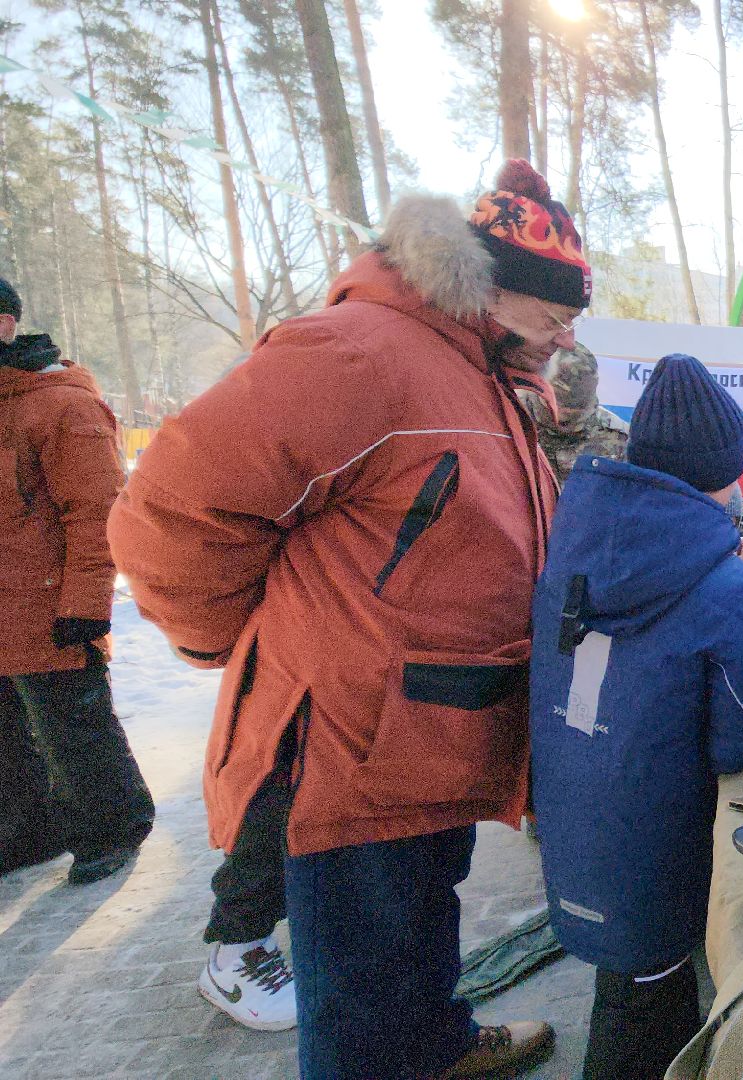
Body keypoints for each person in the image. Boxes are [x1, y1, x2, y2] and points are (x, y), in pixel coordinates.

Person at [109, 160, 586, 1079]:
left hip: (428, 726)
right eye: (556, 312)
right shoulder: (358, 353)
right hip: (353, 735)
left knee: (418, 918)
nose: (567, 333)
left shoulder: (475, 366)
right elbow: (168, 509)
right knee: (362, 972)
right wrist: (226, 639)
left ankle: (438, 1047)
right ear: (490, 288)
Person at [530, 353, 743, 1080]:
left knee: (627, 988)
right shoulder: (731, 588)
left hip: (576, 813)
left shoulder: (571, 542)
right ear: (725, 470)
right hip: (663, 844)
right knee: (649, 1017)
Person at [0, 275, 155, 887]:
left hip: (49, 606)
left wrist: (86, 604)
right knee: (11, 735)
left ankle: (117, 824)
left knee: (74, 728)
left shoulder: (62, 403)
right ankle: (33, 831)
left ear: (6, 321)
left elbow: (96, 513)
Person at [519, 342, 627, 487]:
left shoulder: (618, 438)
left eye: (577, 408)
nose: (566, 417)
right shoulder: (509, 419)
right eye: (559, 406)